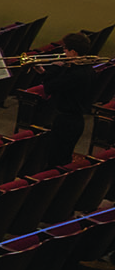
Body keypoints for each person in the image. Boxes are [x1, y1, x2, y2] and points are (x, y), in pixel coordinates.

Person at [34, 32, 98, 168]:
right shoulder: (87, 69)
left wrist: (56, 67)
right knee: (62, 157)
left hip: (66, 122)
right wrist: (44, 73)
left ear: (73, 52)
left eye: (65, 49)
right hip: (75, 121)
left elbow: (50, 87)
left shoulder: (76, 74)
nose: (63, 52)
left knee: (56, 160)